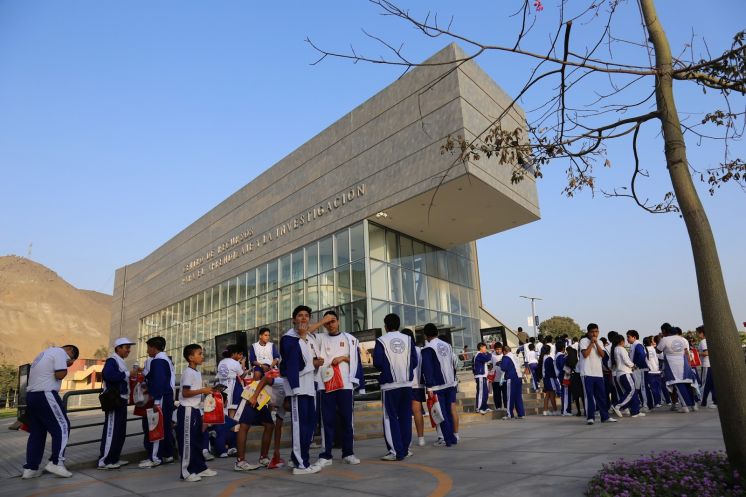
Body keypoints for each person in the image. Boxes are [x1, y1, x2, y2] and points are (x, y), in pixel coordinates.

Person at [280, 305, 331, 475]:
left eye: (306, 316)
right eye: (300, 316)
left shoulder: (309, 338)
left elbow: (311, 361)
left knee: (309, 426)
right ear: (294, 319)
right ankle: (302, 465)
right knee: (299, 426)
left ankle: (297, 459)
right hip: (298, 389)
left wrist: (317, 362)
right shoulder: (288, 338)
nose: (303, 318)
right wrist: (313, 364)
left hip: (310, 387)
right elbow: (291, 364)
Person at [315, 310, 365, 467]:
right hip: (326, 385)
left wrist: (343, 358)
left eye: (333, 321)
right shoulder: (319, 338)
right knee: (327, 420)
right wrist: (322, 321)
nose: (331, 324)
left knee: (347, 419)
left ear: (339, 322)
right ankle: (326, 454)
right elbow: (304, 332)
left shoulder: (349, 339)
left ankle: (348, 453)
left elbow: (356, 359)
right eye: (328, 322)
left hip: (345, 385)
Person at [22, 344, 79, 479]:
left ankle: (31, 468)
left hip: (32, 395)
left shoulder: (44, 353)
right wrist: (66, 365)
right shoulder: (60, 352)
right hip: (46, 394)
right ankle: (56, 462)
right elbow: (59, 374)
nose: (69, 361)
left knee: (37, 433)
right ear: (70, 351)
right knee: (63, 426)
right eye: (71, 359)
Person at [374, 313, 418, 460]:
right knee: (405, 416)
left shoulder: (381, 340)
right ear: (398, 325)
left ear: (385, 326)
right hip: (406, 383)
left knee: (390, 418)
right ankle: (405, 449)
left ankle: (395, 451)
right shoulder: (408, 339)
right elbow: (414, 361)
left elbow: (377, 362)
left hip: (389, 385)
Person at [177, 344, 217, 482]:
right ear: (191, 357)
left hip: (195, 409)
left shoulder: (196, 372)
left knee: (197, 440)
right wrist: (202, 391)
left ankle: (200, 467)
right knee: (188, 442)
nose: (202, 356)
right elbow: (185, 392)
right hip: (187, 410)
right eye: (199, 353)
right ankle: (186, 472)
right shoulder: (188, 372)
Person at [98, 337, 136, 469]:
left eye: (129, 347)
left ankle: (114, 459)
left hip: (121, 399)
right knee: (111, 430)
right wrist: (127, 373)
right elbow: (108, 375)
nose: (128, 350)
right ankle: (105, 461)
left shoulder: (119, 361)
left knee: (119, 430)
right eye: (126, 347)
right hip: (115, 400)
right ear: (118, 348)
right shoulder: (112, 360)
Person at [139, 336, 175, 468]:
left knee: (157, 426)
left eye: (148, 347)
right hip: (167, 396)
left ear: (154, 348)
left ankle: (155, 458)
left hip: (161, 397)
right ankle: (167, 454)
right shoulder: (166, 360)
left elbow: (159, 382)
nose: (147, 350)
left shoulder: (157, 361)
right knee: (165, 426)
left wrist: (156, 401)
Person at [420, 323, 458, 447]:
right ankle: (453, 437)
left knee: (441, 414)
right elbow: (453, 363)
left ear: (425, 335)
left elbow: (427, 369)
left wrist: (429, 386)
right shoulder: (447, 345)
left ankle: (448, 439)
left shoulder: (428, 348)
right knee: (448, 411)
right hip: (450, 382)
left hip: (438, 385)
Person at [579, 324, 617, 425]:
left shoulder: (600, 342)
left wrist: (596, 344)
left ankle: (605, 417)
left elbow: (602, 355)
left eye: (596, 331)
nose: (594, 334)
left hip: (598, 373)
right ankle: (590, 417)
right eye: (592, 332)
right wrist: (591, 343)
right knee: (589, 396)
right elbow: (585, 354)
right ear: (588, 332)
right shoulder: (583, 341)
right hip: (587, 373)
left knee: (602, 396)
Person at [214, 345, 245, 457]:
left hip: (222, 388)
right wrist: (243, 365)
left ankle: (226, 446)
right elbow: (243, 375)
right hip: (231, 389)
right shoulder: (234, 362)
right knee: (231, 420)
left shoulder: (221, 362)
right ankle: (230, 446)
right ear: (233, 354)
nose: (240, 356)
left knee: (223, 416)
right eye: (239, 354)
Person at [657, 326, 697, 413]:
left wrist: (660, 338)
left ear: (667, 332)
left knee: (678, 385)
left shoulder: (665, 339)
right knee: (687, 384)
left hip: (672, 366)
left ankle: (685, 406)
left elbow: (658, 351)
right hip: (684, 363)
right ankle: (693, 405)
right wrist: (689, 365)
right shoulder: (683, 339)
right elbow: (687, 352)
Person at [401, 329, 426, 447]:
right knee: (417, 411)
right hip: (418, 384)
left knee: (405, 412)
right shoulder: (420, 350)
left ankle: (408, 439)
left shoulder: (402, 351)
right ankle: (421, 438)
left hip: (406, 384)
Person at [610, 334, 644, 418]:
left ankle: (635, 411)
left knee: (631, 393)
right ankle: (617, 405)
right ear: (621, 341)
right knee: (631, 391)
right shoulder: (621, 349)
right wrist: (633, 366)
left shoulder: (614, 349)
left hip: (619, 373)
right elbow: (626, 360)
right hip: (625, 373)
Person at [499, 345, 525, 419]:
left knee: (510, 396)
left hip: (511, 378)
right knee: (518, 396)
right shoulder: (514, 356)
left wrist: (500, 364)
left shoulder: (505, 357)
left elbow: (503, 368)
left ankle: (509, 414)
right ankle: (521, 413)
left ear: (504, 351)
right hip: (519, 377)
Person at [626, 330, 648, 411]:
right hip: (637, 370)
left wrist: (635, 365)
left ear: (634, 337)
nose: (627, 339)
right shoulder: (633, 345)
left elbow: (642, 355)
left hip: (640, 369)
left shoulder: (638, 345)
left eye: (628, 337)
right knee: (638, 387)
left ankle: (646, 405)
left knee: (642, 388)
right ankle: (642, 404)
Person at [697, 326, 717, 408]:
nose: (697, 334)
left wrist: (697, 354)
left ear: (702, 333)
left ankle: (703, 401)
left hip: (706, 364)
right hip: (711, 365)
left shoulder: (703, 342)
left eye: (698, 333)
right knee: (711, 384)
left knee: (705, 384)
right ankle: (714, 401)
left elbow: (706, 353)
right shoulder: (710, 340)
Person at [642, 336, 663, 409]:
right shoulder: (653, 349)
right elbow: (659, 358)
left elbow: (644, 360)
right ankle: (658, 402)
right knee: (658, 388)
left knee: (653, 389)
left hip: (650, 372)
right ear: (650, 342)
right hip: (657, 371)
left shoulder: (644, 349)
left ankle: (656, 402)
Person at [472, 342, 492, 414]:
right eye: (485, 347)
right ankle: (479, 407)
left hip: (484, 376)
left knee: (485, 392)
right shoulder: (479, 355)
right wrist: (489, 353)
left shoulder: (481, 355)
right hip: (480, 376)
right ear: (481, 347)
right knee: (481, 392)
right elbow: (488, 358)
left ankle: (484, 407)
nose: (485, 349)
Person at [539, 345, 559, 416]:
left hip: (545, 378)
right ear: (549, 350)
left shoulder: (542, 358)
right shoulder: (549, 358)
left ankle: (545, 410)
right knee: (552, 394)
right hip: (550, 377)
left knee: (547, 394)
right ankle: (555, 410)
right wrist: (556, 375)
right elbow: (552, 369)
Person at [554, 341, 572, 416]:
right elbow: (563, 366)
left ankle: (565, 410)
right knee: (565, 393)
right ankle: (565, 410)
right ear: (563, 348)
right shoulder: (561, 356)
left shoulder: (557, 355)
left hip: (562, 375)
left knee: (565, 392)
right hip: (563, 376)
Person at [490, 343, 507, 411]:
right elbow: (490, 366)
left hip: (503, 378)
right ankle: (498, 407)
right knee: (497, 394)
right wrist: (490, 375)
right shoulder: (492, 355)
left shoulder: (504, 354)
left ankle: (506, 407)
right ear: (495, 349)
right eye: (497, 349)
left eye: (500, 349)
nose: (498, 351)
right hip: (495, 379)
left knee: (505, 393)